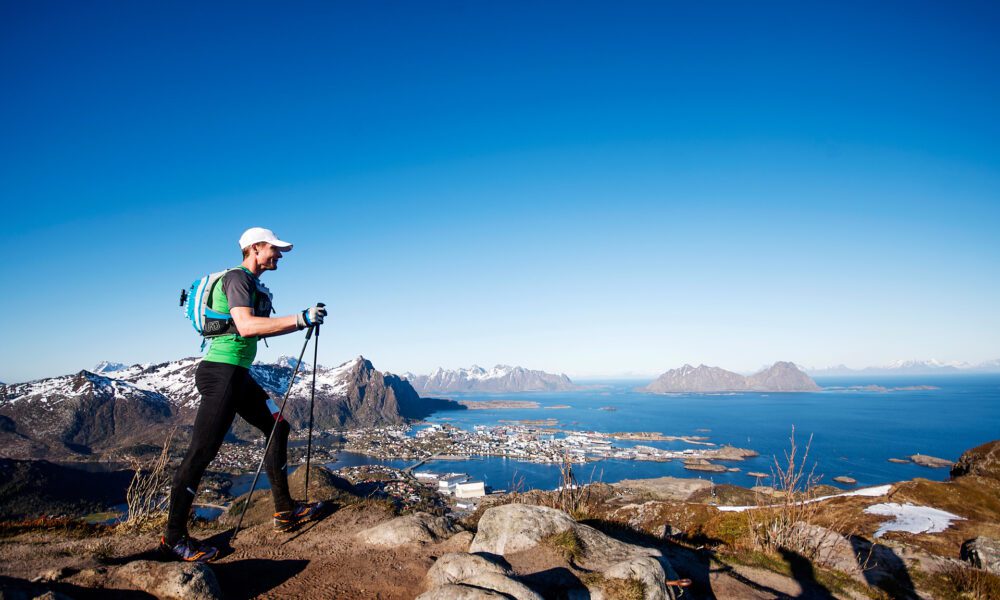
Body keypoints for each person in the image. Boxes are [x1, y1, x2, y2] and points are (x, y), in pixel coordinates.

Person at [161, 227, 328, 562]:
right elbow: (247, 326)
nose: (279, 255)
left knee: (278, 427)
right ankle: (173, 538)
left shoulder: (248, 282)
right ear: (255, 248)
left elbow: (250, 327)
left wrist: (302, 320)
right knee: (201, 453)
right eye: (274, 249)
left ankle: (285, 510)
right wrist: (301, 318)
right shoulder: (238, 279)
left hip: (236, 375)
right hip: (221, 375)